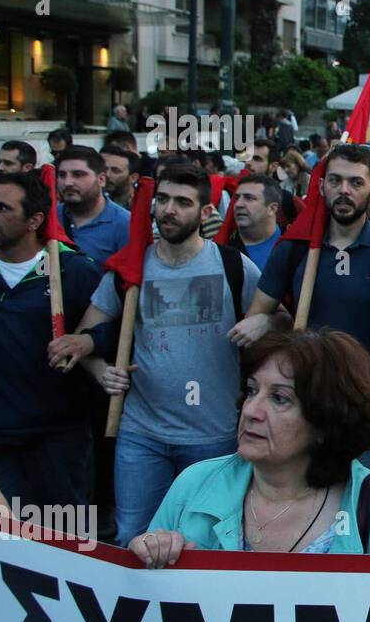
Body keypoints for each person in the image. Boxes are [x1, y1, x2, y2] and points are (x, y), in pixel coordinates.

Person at [61, 164, 264, 546]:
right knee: (133, 539)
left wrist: (263, 324)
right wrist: (101, 370)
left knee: (206, 542)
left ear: (205, 212)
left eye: (183, 202)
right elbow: (83, 336)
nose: (170, 209)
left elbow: (280, 325)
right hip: (141, 435)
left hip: (214, 435)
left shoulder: (234, 266)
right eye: (164, 199)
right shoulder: (131, 269)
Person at [129, 329, 370, 565]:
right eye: (251, 391)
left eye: (280, 398)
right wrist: (150, 554)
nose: (251, 410)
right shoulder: (195, 485)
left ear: (325, 421)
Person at [231, 145, 370, 474]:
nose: (344, 190)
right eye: (336, 180)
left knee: (357, 503)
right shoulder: (294, 248)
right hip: (303, 398)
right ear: (321, 186)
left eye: (356, 183)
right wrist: (268, 322)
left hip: (366, 400)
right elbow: (256, 319)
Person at [0, 172, 103, 510]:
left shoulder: (74, 270)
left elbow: (112, 330)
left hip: (59, 438)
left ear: (35, 219)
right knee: (5, 544)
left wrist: (85, 342)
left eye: (1, 208)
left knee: (66, 544)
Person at [56, 147, 130, 265]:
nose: (67, 182)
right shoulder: (50, 218)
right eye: (62, 175)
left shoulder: (125, 224)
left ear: (101, 179)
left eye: (78, 175)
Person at [228, 173, 283, 271]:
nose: (238, 204)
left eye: (249, 198)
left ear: (272, 208)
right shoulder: (224, 247)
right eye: (236, 198)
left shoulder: (293, 246)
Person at [99, 144, 140, 210]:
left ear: (133, 178)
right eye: (105, 169)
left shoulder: (144, 204)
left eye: (116, 171)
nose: (107, 175)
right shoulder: (99, 203)